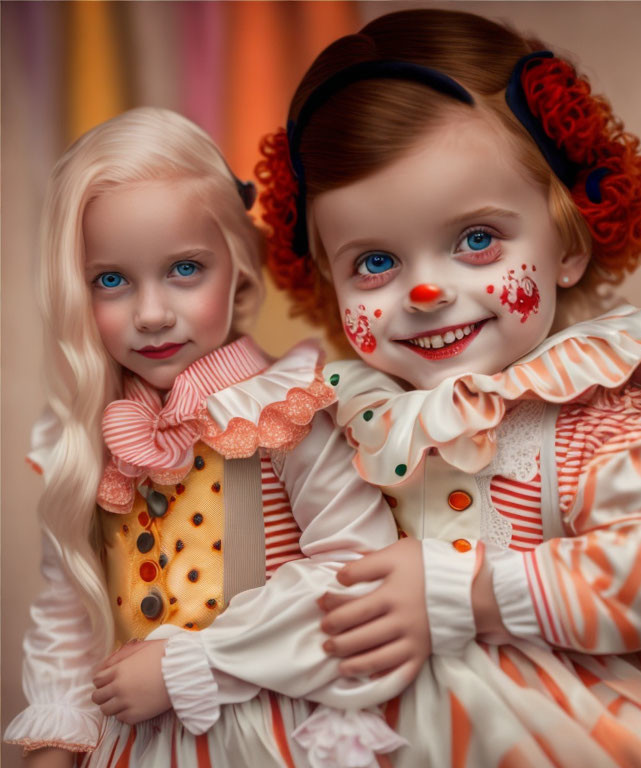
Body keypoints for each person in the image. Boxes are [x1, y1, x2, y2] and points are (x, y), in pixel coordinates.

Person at [258, 9, 641, 766]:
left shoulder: (594, 412)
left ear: (567, 240)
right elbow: (279, 581)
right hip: (382, 718)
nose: (426, 292)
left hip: (579, 706)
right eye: (374, 263)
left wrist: (463, 596)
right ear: (326, 283)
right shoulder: (337, 422)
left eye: (475, 240)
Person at [4, 107, 409, 768]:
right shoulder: (84, 438)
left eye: (185, 269)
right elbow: (67, 616)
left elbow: (356, 573)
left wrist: (196, 664)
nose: (153, 312)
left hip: (268, 725)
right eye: (112, 280)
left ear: (238, 266)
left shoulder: (284, 409)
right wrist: (56, 743)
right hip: (133, 745)